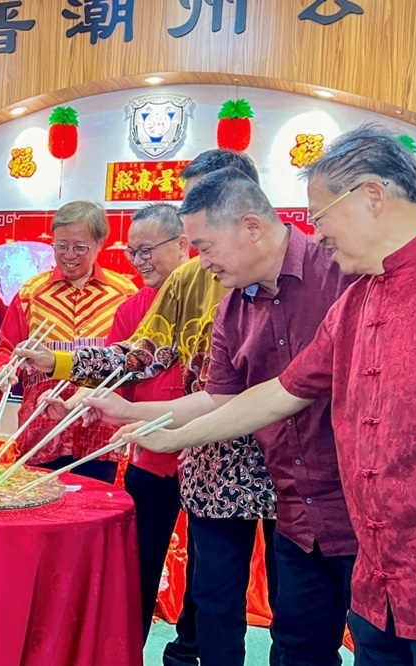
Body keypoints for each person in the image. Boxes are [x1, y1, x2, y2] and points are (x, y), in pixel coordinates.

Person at [117, 126, 416, 666]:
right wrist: (153, 427)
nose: (315, 233)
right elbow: (278, 393)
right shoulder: (357, 298)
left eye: (319, 216)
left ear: (370, 197)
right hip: (377, 577)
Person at [89, 169, 360, 665]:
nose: (202, 262)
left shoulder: (341, 272)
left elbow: (282, 395)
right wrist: (134, 412)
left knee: (363, 641)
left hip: (353, 495)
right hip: (296, 501)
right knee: (290, 641)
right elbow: (219, 396)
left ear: (251, 226)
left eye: (206, 246)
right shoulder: (233, 306)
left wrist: (176, 437)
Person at [24, 149, 280, 666]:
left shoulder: (307, 270)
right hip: (213, 463)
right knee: (213, 603)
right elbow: (138, 354)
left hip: (291, 468)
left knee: (299, 612)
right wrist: (58, 360)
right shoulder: (189, 280)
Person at [104, 202, 200, 658]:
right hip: (149, 460)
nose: (139, 260)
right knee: (137, 570)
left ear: (183, 245)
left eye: (147, 250)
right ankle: (128, 654)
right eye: (132, 252)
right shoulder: (133, 310)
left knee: (209, 579)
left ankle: (186, 653)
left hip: (207, 462)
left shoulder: (218, 299)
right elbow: (115, 379)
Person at [0, 200, 137, 483]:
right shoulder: (32, 293)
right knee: (37, 509)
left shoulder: (124, 294)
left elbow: (133, 363)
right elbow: (7, 348)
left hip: (98, 427)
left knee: (92, 511)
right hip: (40, 426)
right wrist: (4, 370)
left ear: (99, 244)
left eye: (80, 247)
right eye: (61, 246)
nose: (69, 255)